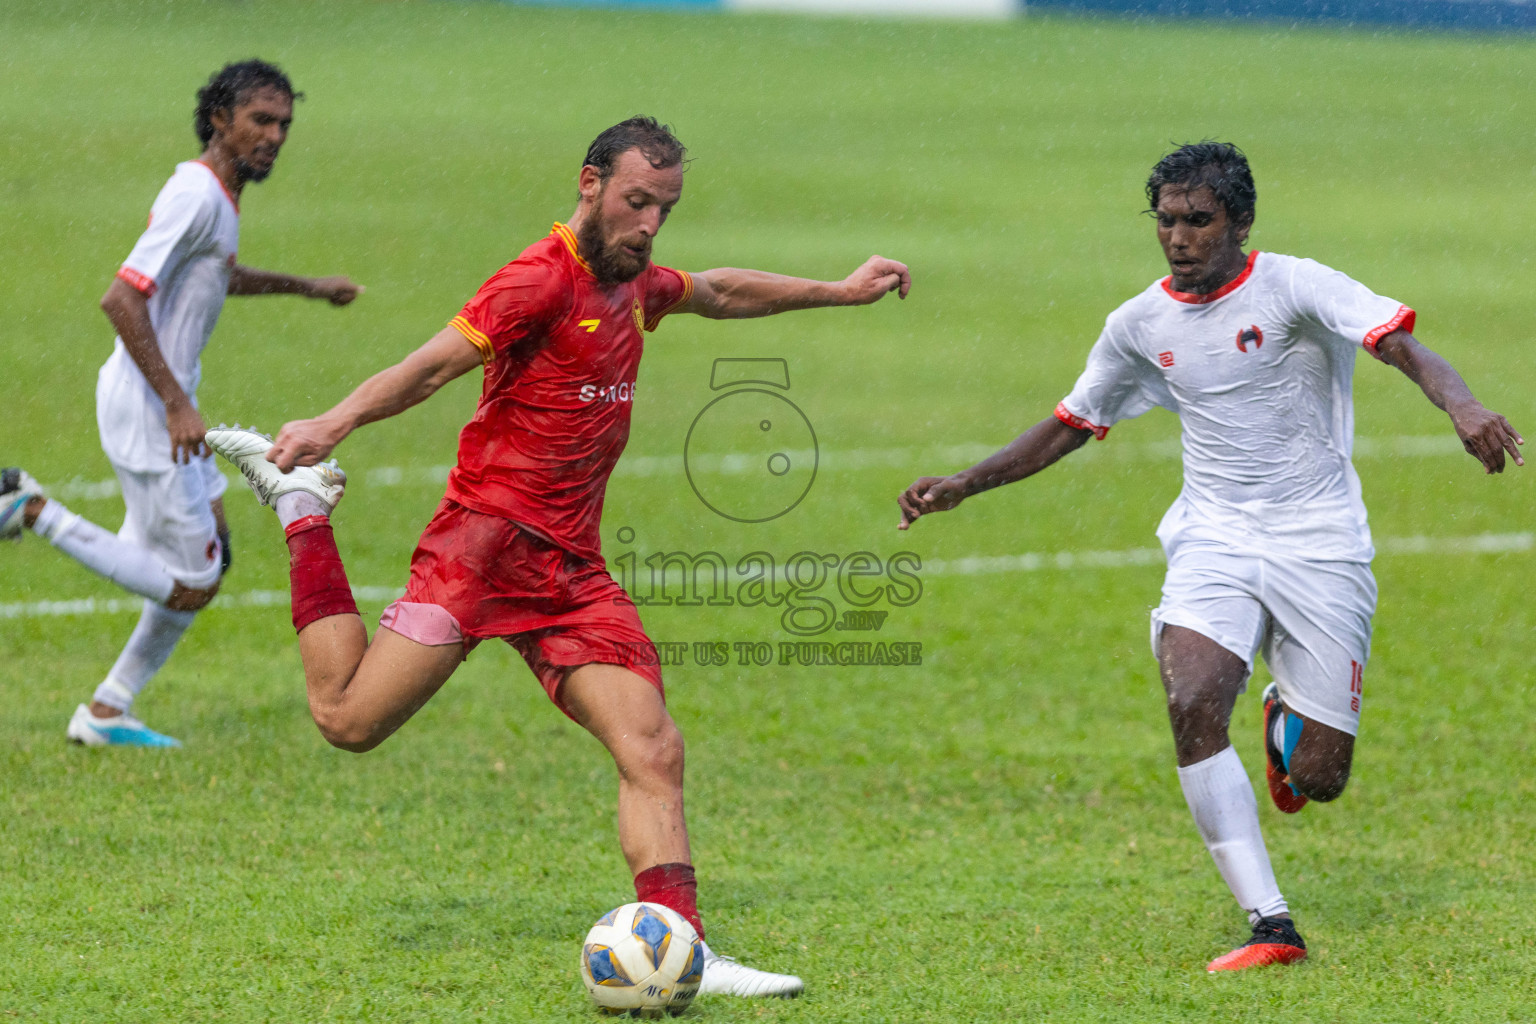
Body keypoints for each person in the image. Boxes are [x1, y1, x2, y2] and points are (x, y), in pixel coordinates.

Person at [206, 116, 910, 998]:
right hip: (480, 552)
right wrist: (330, 424)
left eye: (665, 207)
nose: (650, 224)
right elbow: (430, 369)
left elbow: (721, 291)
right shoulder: (537, 281)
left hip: (571, 570)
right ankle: (306, 513)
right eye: (636, 202)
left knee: (653, 747)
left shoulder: (633, 282)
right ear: (590, 184)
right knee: (347, 721)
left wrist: (839, 292)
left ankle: (683, 948)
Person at [897, 142, 1522, 972]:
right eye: (1167, 221)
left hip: (1320, 543)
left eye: (1199, 221)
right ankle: (1272, 924)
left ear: (1240, 223)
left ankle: (1285, 723)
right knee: (1192, 698)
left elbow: (1399, 344)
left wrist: (1464, 404)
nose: (1180, 238)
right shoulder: (1138, 324)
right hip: (1214, 539)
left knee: (1322, 777)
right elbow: (1072, 423)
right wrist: (965, 485)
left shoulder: (1296, 284)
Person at [0, 59, 361, 747]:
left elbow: (216, 275)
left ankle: (107, 712)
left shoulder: (219, 195)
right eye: (260, 120)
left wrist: (307, 287)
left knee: (212, 552)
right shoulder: (196, 195)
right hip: (148, 406)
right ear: (220, 118)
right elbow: (122, 297)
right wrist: (174, 404)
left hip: (160, 397)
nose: (275, 135)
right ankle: (28, 508)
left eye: (284, 122)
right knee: (193, 581)